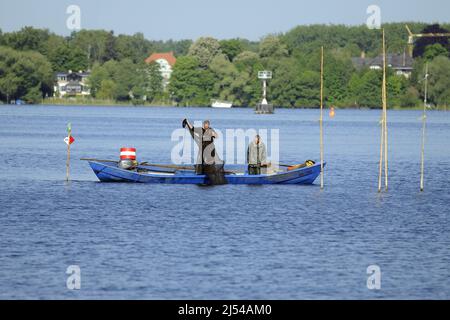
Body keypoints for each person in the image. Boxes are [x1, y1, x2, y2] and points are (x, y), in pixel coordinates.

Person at [182, 118, 227, 185]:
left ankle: (210, 173)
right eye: (205, 125)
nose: (206, 126)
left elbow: (217, 136)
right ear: (203, 125)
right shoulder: (200, 130)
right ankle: (203, 173)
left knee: (209, 162)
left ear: (208, 125)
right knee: (203, 162)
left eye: (207, 125)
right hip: (203, 149)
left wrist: (213, 134)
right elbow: (192, 128)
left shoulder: (211, 130)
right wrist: (187, 122)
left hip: (210, 149)